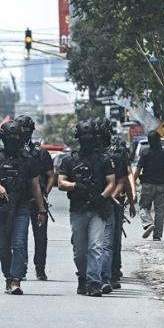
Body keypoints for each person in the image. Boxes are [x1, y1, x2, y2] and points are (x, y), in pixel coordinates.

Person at [0, 120, 47, 295]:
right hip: (0, 208)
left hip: (22, 207)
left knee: (19, 243)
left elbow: (35, 187)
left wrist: (41, 209)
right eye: (9, 137)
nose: (12, 140)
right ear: (3, 138)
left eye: (15, 137)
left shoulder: (28, 160)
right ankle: (8, 278)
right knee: (4, 245)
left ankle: (16, 279)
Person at [57, 120, 117, 296]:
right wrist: (75, 186)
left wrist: (102, 197)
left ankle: (94, 282)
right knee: (79, 251)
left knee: (96, 246)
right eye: (84, 137)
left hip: (98, 209)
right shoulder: (69, 159)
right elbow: (60, 183)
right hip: (78, 209)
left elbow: (111, 182)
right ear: (78, 138)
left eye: (90, 137)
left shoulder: (105, 159)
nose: (87, 140)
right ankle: (82, 277)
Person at [17, 115, 55, 281]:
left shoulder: (41, 153)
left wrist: (44, 194)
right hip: (20, 200)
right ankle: (21, 269)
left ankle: (40, 268)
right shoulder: (15, 154)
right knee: (20, 236)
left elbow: (51, 176)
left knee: (40, 237)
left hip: (39, 201)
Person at [103, 123, 137, 290]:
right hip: (99, 202)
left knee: (112, 241)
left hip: (113, 202)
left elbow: (125, 179)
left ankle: (112, 274)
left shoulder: (116, 155)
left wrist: (129, 200)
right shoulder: (92, 155)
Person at [135, 131, 164, 241]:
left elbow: (138, 169)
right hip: (161, 184)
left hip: (147, 184)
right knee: (160, 211)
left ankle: (148, 222)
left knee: (143, 207)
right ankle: (157, 235)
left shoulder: (145, 153)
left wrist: (133, 182)